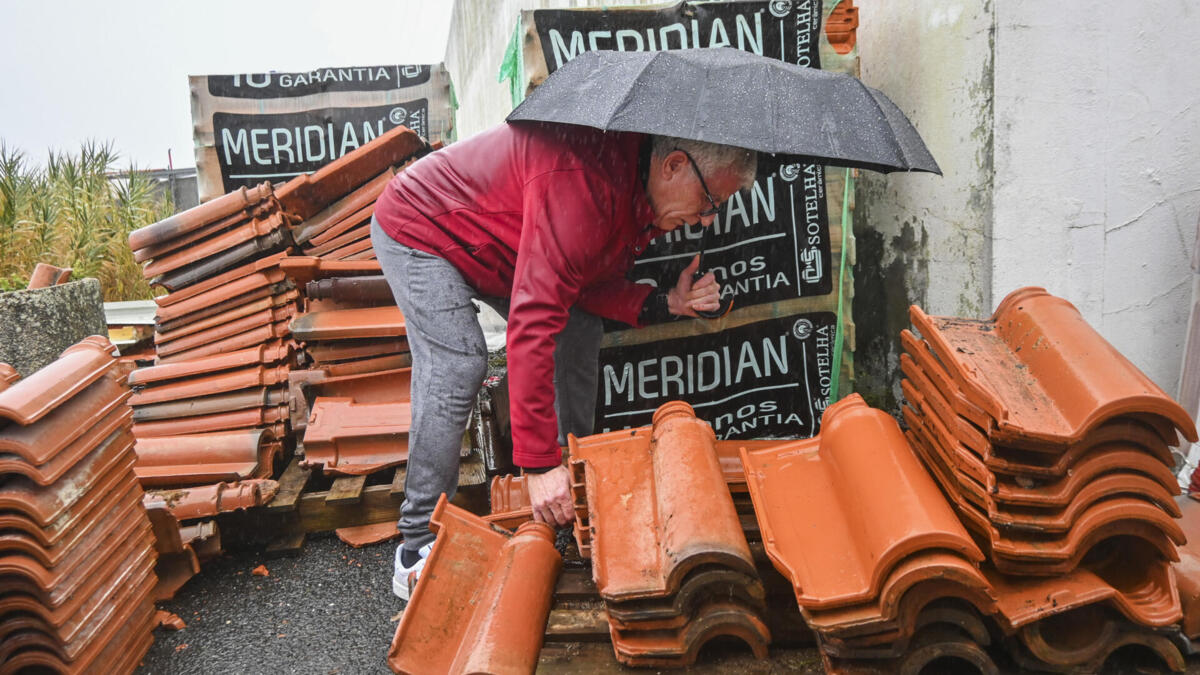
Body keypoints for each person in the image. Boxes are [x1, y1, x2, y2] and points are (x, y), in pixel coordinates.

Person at [370, 121, 756, 599]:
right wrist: (535, 464)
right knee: (459, 361)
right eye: (710, 201)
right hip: (421, 226)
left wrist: (665, 303)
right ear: (674, 166)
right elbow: (532, 320)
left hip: (497, 246)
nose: (708, 221)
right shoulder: (583, 182)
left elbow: (586, 286)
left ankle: (565, 486)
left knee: (578, 325)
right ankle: (417, 544)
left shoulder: (633, 188)